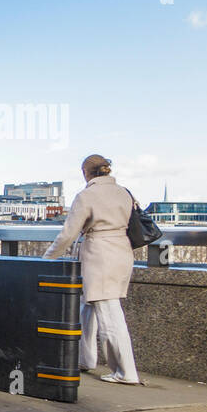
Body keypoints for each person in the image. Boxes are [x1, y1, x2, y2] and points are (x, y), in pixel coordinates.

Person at [44, 154, 141, 385]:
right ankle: (84, 359)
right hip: (122, 253)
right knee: (87, 307)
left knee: (110, 314)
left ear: (86, 172)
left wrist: (47, 259)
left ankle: (126, 371)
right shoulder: (124, 193)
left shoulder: (87, 195)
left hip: (100, 256)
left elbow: (68, 234)